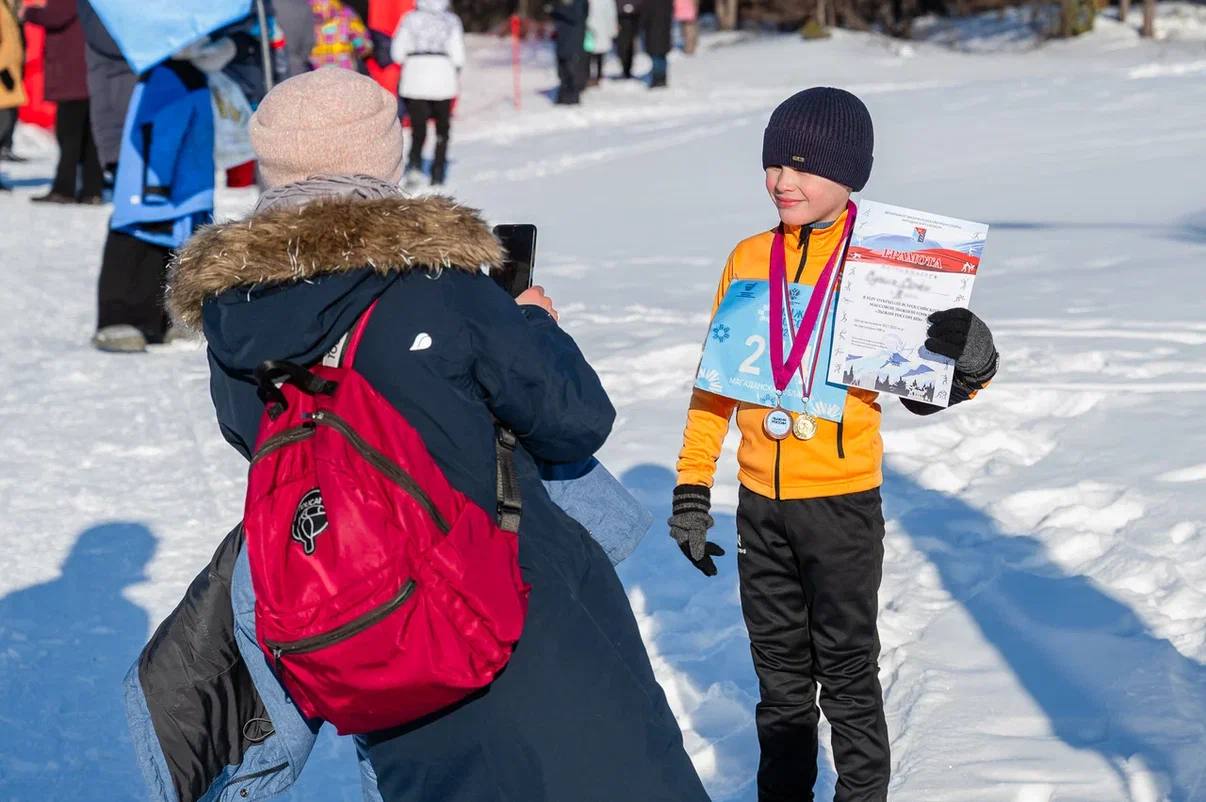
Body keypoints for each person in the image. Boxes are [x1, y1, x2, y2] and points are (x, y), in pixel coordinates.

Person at [123, 66, 712, 802]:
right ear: (385, 155)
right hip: (519, 615)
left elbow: (265, 446)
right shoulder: (442, 284)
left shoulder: (237, 321)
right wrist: (530, 321)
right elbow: (574, 418)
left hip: (372, 639)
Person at [668, 87, 999, 802]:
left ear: (849, 173)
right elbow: (714, 387)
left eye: (803, 167)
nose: (782, 181)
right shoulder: (750, 257)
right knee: (780, 684)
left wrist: (969, 364)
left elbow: (919, 389)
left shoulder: (887, 265)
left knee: (847, 674)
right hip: (761, 506)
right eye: (772, 165)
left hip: (842, 508)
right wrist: (694, 488)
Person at [93, 58, 214, 352]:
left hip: (184, 187)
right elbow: (160, 132)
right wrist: (155, 186)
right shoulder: (170, 75)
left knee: (176, 251)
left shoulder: (191, 73)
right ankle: (120, 319)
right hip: (157, 186)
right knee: (136, 248)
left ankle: (164, 320)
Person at [22, 0, 104, 204]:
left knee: (69, 136)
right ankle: (92, 190)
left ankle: (64, 189)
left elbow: (54, 16)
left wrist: (28, 12)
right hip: (91, 73)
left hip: (72, 76)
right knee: (90, 138)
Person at [390, 0, 463, 188]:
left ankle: (414, 165)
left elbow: (397, 53)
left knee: (418, 128)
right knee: (442, 129)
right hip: (443, 77)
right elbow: (458, 55)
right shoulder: (452, 20)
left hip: (416, 76)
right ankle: (438, 172)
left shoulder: (410, 19)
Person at [309, 0, 373, 71]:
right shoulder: (346, 14)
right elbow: (362, 46)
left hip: (315, 72)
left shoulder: (304, 12)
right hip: (344, 70)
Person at [0, 0, 26, 171]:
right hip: (4, 73)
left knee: (9, 120)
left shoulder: (8, 6)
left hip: (11, 72)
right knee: (4, 122)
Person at [550, 0, 588, 105]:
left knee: (571, 71)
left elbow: (575, 16)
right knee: (562, 71)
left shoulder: (579, 2)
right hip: (562, 40)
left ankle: (572, 98)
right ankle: (562, 97)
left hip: (573, 41)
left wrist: (558, 9)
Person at [585, 0, 618, 87]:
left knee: (598, 55)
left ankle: (598, 76)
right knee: (589, 54)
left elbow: (611, 15)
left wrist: (612, 30)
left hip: (601, 29)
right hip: (590, 30)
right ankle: (589, 75)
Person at [641, 0, 672, 88]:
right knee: (662, 57)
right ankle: (662, 78)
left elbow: (645, 16)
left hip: (653, 33)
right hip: (664, 33)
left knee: (656, 58)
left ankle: (657, 80)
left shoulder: (650, 3)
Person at [615, 0, 638, 80]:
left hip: (633, 18)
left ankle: (628, 69)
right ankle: (624, 68)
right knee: (622, 46)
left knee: (629, 46)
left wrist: (633, 7)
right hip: (620, 18)